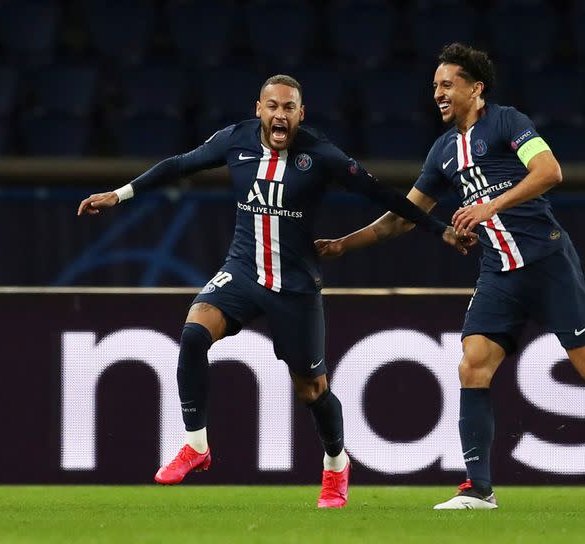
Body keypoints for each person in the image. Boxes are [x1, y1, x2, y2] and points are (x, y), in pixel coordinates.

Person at [315, 43, 585, 510]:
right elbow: (403, 218)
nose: (438, 94)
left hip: (547, 261)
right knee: (472, 365)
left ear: (476, 88)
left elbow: (550, 171)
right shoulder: (443, 152)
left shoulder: (508, 122)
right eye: (435, 87)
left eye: (447, 84)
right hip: (498, 273)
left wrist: (490, 206)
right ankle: (479, 490)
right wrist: (344, 243)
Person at [77, 74, 473, 508]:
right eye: (272, 106)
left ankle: (337, 466)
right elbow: (179, 164)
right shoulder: (236, 141)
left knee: (312, 391)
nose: (279, 115)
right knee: (193, 334)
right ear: (258, 110)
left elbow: (382, 194)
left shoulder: (321, 155)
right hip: (243, 272)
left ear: (301, 115)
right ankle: (196, 445)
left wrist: (439, 229)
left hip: (296, 286)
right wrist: (119, 194)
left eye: (288, 108)